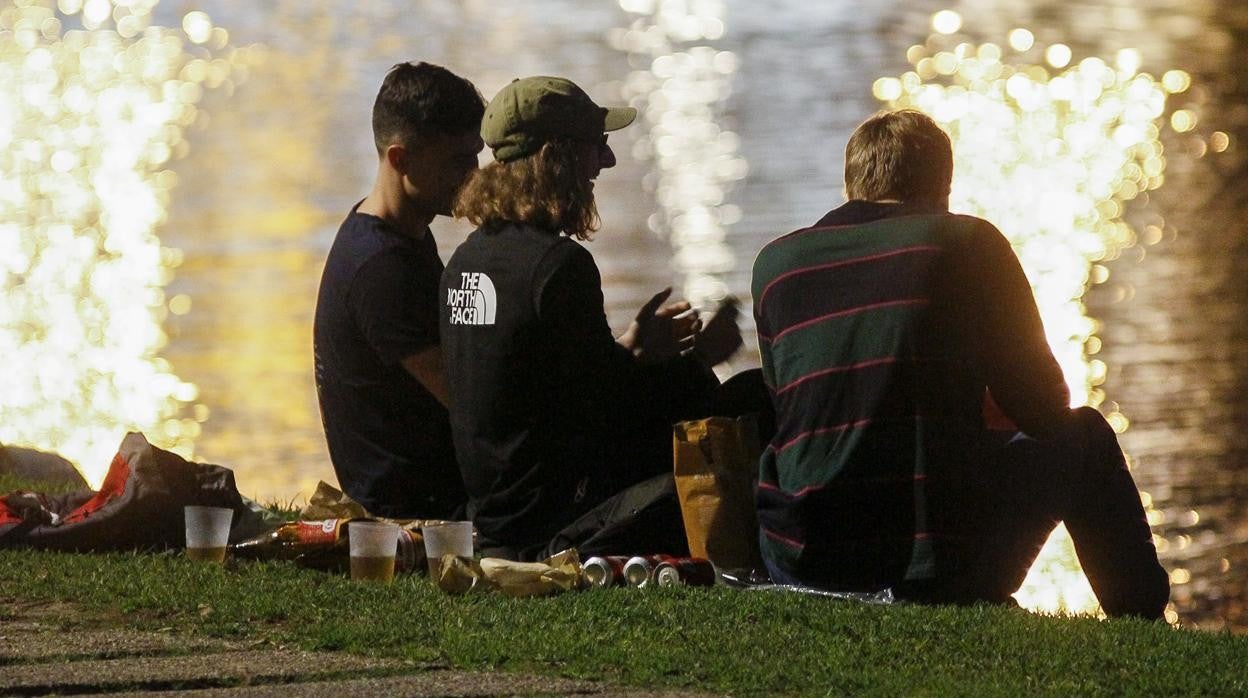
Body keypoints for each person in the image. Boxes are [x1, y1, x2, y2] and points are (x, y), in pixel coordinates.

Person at [750, 109, 1169, 619]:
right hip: (934, 564)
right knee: (1087, 436)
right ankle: (1144, 617)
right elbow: (1044, 409)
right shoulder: (968, 244)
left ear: (850, 185)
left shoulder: (776, 266)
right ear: (943, 186)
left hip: (801, 560)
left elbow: (798, 413)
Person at [440, 76, 743, 560]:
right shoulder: (557, 266)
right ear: (555, 158)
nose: (607, 161)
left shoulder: (465, 262)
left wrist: (636, 350)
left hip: (498, 519)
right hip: (554, 522)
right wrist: (699, 357)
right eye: (596, 146)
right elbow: (606, 417)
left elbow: (550, 394)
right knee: (746, 406)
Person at [313, 62, 484, 519]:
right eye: (458, 161)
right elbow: (472, 402)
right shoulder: (381, 268)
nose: (475, 175)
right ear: (400, 159)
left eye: (476, 155)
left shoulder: (398, 234)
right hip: (419, 511)